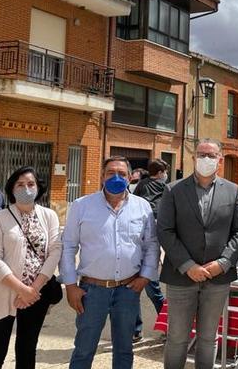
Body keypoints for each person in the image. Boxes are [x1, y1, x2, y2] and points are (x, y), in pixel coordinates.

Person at [60, 156, 160, 369]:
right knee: (84, 349)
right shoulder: (81, 206)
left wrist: (145, 277)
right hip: (91, 291)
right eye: (110, 173)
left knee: (124, 349)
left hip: (128, 290)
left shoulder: (142, 207)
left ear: (130, 177)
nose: (116, 177)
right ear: (102, 176)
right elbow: (68, 246)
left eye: (122, 174)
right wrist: (70, 285)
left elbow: (151, 244)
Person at [157, 138, 238, 369]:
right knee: (177, 339)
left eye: (211, 155)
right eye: (201, 154)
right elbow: (165, 230)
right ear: (194, 157)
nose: (206, 159)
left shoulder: (233, 191)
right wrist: (188, 265)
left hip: (217, 278)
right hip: (181, 276)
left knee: (208, 338)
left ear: (220, 159)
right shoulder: (173, 190)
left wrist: (224, 262)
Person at [0, 166, 62, 369]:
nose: (25, 188)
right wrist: (21, 289)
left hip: (36, 293)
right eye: (20, 184)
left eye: (30, 184)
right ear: (11, 188)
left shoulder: (49, 215)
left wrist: (33, 289)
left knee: (27, 349)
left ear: (38, 188)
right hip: (4, 291)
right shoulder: (0, 218)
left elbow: (55, 251)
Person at [131, 158, 169, 341]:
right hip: (150, 241)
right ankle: (167, 325)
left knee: (136, 291)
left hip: (140, 243)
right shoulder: (165, 188)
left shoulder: (142, 185)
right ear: (161, 173)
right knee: (152, 290)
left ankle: (135, 330)